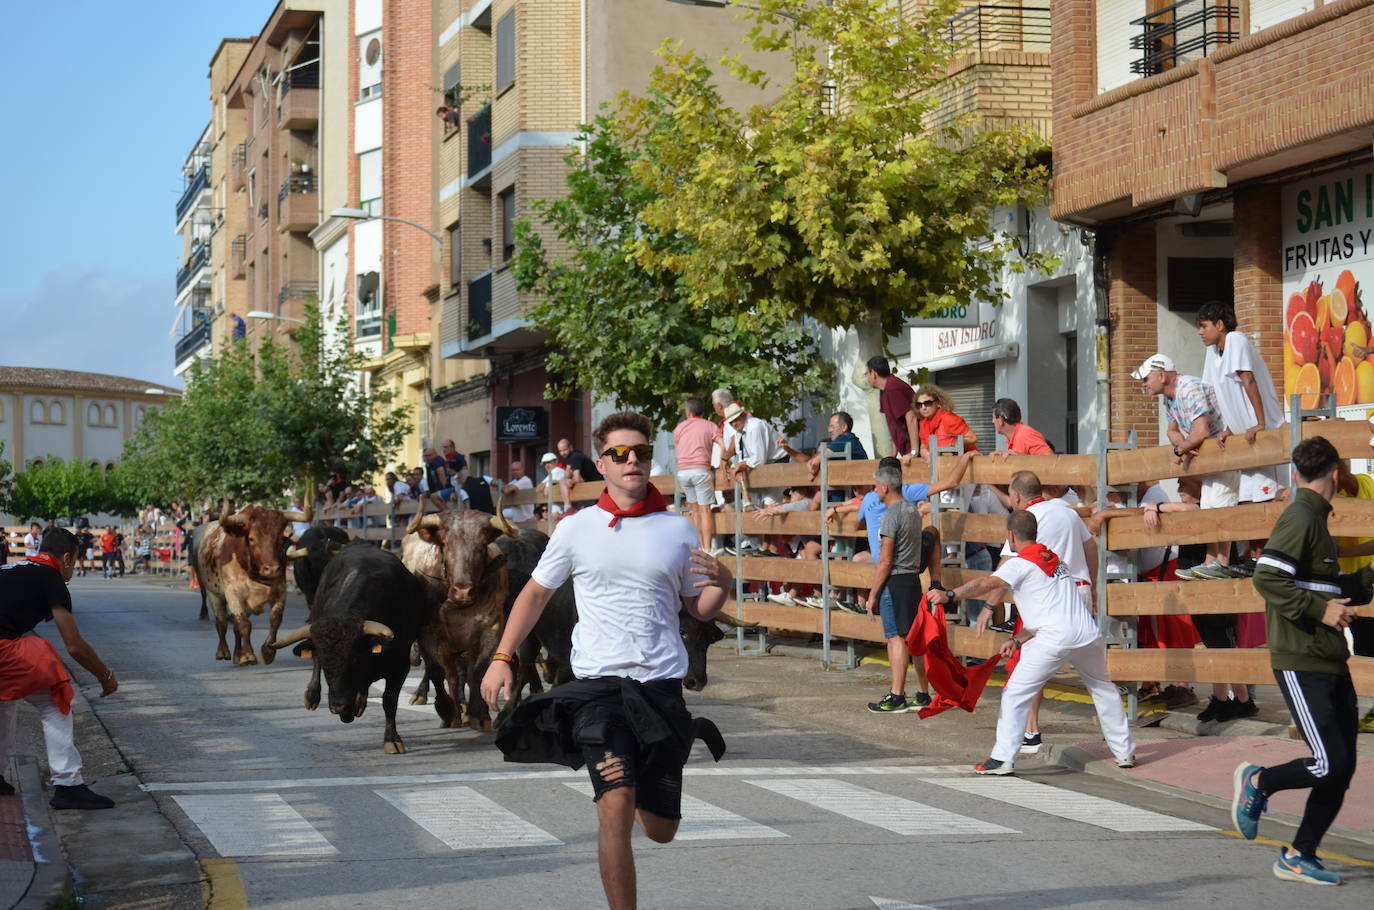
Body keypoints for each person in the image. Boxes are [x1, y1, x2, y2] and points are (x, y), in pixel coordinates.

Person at [480, 411, 732, 910]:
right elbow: (532, 594)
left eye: (640, 451)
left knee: (661, 830)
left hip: (660, 689)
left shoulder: (678, 530)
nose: (632, 460)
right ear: (601, 463)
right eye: (620, 453)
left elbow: (696, 608)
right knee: (613, 806)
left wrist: (723, 583)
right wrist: (502, 656)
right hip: (599, 690)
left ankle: (644, 783)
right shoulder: (577, 529)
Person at [1232, 436, 1370, 886]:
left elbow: (1331, 590)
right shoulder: (1301, 516)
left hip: (1327, 659)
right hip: (1301, 659)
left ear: (1296, 474)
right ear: (1337, 472)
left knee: (1343, 765)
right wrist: (1320, 610)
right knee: (1329, 762)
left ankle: (1298, 854)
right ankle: (1260, 782)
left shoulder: (1316, 521)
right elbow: (1268, 576)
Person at [929, 509, 1135, 775]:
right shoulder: (1056, 560)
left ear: (1011, 536)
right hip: (1086, 634)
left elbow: (987, 583)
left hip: (1054, 638)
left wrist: (949, 594)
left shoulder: (1019, 563)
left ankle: (1003, 758)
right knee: (1103, 689)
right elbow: (1049, 609)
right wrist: (1018, 639)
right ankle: (1125, 752)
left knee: (1015, 693)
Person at [1134, 351, 1256, 721]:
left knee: (1219, 633)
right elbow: (1176, 430)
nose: (1143, 384)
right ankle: (1228, 698)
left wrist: (1184, 448)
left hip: (1220, 464)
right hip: (1198, 567)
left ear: (1161, 373)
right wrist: (1179, 443)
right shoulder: (1172, 398)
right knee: (1213, 632)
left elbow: (1199, 431)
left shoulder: (1185, 388)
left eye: (1145, 378)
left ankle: (1233, 698)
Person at [0, 528, 118, 809]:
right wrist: (106, 677)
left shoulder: (12, 567)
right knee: (55, 695)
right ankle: (68, 784)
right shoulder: (51, 578)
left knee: (6, 699)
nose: (73, 569)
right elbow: (74, 644)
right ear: (66, 558)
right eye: (75, 562)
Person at [997, 470, 1098, 753]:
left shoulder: (1026, 521)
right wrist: (1094, 588)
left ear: (1016, 495)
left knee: (1030, 665)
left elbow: (1006, 565)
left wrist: (991, 603)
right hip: (1078, 590)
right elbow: (1091, 547)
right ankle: (1115, 734)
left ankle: (1031, 731)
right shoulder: (1067, 513)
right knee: (1092, 668)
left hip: (1047, 598)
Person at [1198, 300, 1285, 580]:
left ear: (1220, 325)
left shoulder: (1236, 340)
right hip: (1243, 438)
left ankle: (1267, 559)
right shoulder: (1213, 352)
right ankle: (1256, 558)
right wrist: (1227, 428)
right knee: (1246, 500)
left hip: (1264, 434)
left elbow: (1248, 380)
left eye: (1203, 326)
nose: (1200, 332)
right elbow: (1217, 394)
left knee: (1262, 500)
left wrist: (1259, 422)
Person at [1332, 460, 1374, 734]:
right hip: (1353, 585)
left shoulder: (1362, 485)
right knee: (1363, 648)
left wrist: (1343, 553)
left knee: (1369, 647)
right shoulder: (1329, 499)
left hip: (1367, 577)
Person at [672, 396, 718, 552]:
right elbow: (723, 444)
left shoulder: (680, 428)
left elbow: (678, 446)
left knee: (694, 510)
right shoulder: (710, 426)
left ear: (688, 411)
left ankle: (697, 547)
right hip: (701, 470)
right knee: (705, 510)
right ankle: (708, 548)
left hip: (683, 472)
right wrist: (725, 462)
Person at [865, 357, 918, 458]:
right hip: (907, 451)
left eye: (867, 373)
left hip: (915, 450)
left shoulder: (893, 388)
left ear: (874, 374)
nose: (867, 378)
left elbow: (911, 417)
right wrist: (893, 453)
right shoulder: (885, 389)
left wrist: (914, 451)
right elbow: (895, 423)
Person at [911, 384, 978, 458]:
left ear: (938, 403)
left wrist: (953, 445)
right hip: (941, 465)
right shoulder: (923, 423)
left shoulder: (948, 418)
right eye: (919, 404)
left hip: (966, 463)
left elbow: (972, 438)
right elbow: (923, 447)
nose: (923, 407)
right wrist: (928, 456)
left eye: (927, 403)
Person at [988, 398, 1053, 457]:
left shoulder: (1025, 434)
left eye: (993, 418)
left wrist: (1021, 458)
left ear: (1000, 420)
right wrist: (1002, 456)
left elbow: (1051, 460)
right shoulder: (1012, 437)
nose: (992, 421)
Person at [535, 452, 571, 516]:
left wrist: (545, 484)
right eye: (545, 464)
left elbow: (546, 492)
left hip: (560, 509)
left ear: (556, 461)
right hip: (557, 508)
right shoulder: (551, 473)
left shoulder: (557, 471)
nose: (547, 466)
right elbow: (538, 489)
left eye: (549, 462)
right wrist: (546, 483)